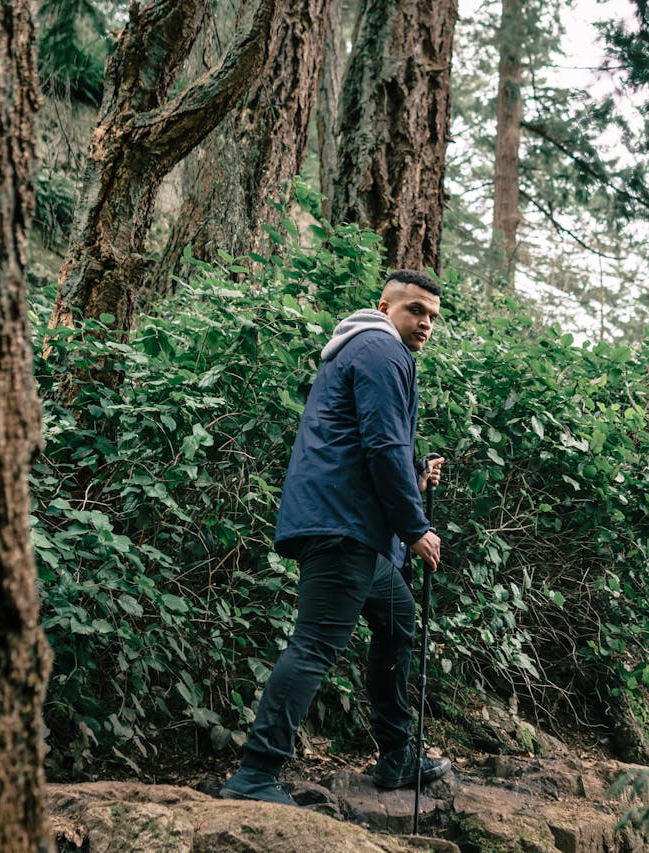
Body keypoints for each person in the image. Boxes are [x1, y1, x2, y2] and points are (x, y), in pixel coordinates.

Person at [219, 269, 451, 806]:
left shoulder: (362, 351)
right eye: (416, 310)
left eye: (433, 316)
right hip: (343, 527)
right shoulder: (381, 350)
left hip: (349, 526)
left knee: (398, 620)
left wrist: (414, 479)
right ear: (385, 307)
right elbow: (383, 446)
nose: (426, 323)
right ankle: (255, 774)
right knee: (315, 646)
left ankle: (397, 755)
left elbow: (364, 443)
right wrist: (415, 527)